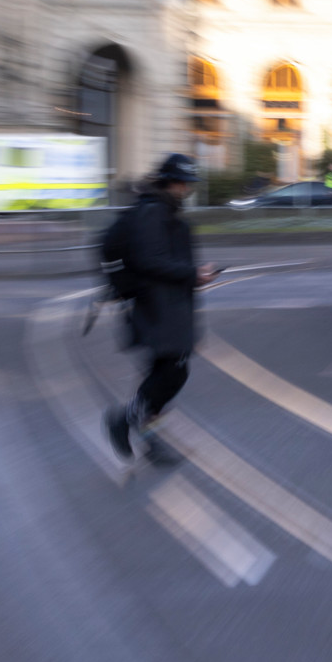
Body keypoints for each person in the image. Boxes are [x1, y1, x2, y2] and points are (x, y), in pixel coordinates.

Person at [105, 154, 216, 470]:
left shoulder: (162, 210)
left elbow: (161, 258)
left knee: (165, 372)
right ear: (172, 181)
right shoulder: (153, 212)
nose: (187, 189)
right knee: (172, 371)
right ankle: (124, 421)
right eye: (184, 183)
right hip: (156, 306)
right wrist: (192, 274)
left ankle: (149, 438)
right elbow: (149, 260)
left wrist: (193, 275)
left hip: (167, 303)